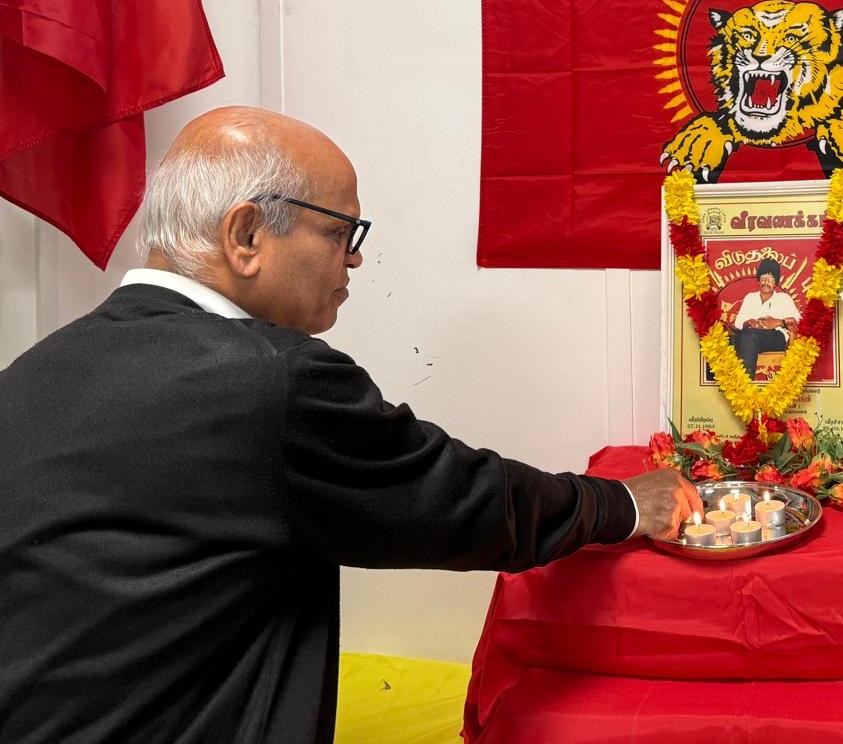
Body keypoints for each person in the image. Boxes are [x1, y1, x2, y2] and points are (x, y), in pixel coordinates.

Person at [0, 107, 700, 744]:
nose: (356, 258)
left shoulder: (33, 371)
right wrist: (624, 502)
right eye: (341, 232)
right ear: (247, 235)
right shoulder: (269, 380)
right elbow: (461, 501)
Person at [729, 256, 801, 377]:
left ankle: (744, 384)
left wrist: (777, 322)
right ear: (759, 279)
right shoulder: (750, 298)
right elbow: (738, 325)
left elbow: (798, 323)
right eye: (763, 277)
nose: (766, 282)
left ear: (775, 282)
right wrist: (749, 322)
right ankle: (740, 381)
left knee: (747, 337)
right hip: (750, 337)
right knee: (732, 338)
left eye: (770, 278)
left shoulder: (784, 298)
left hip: (775, 337)